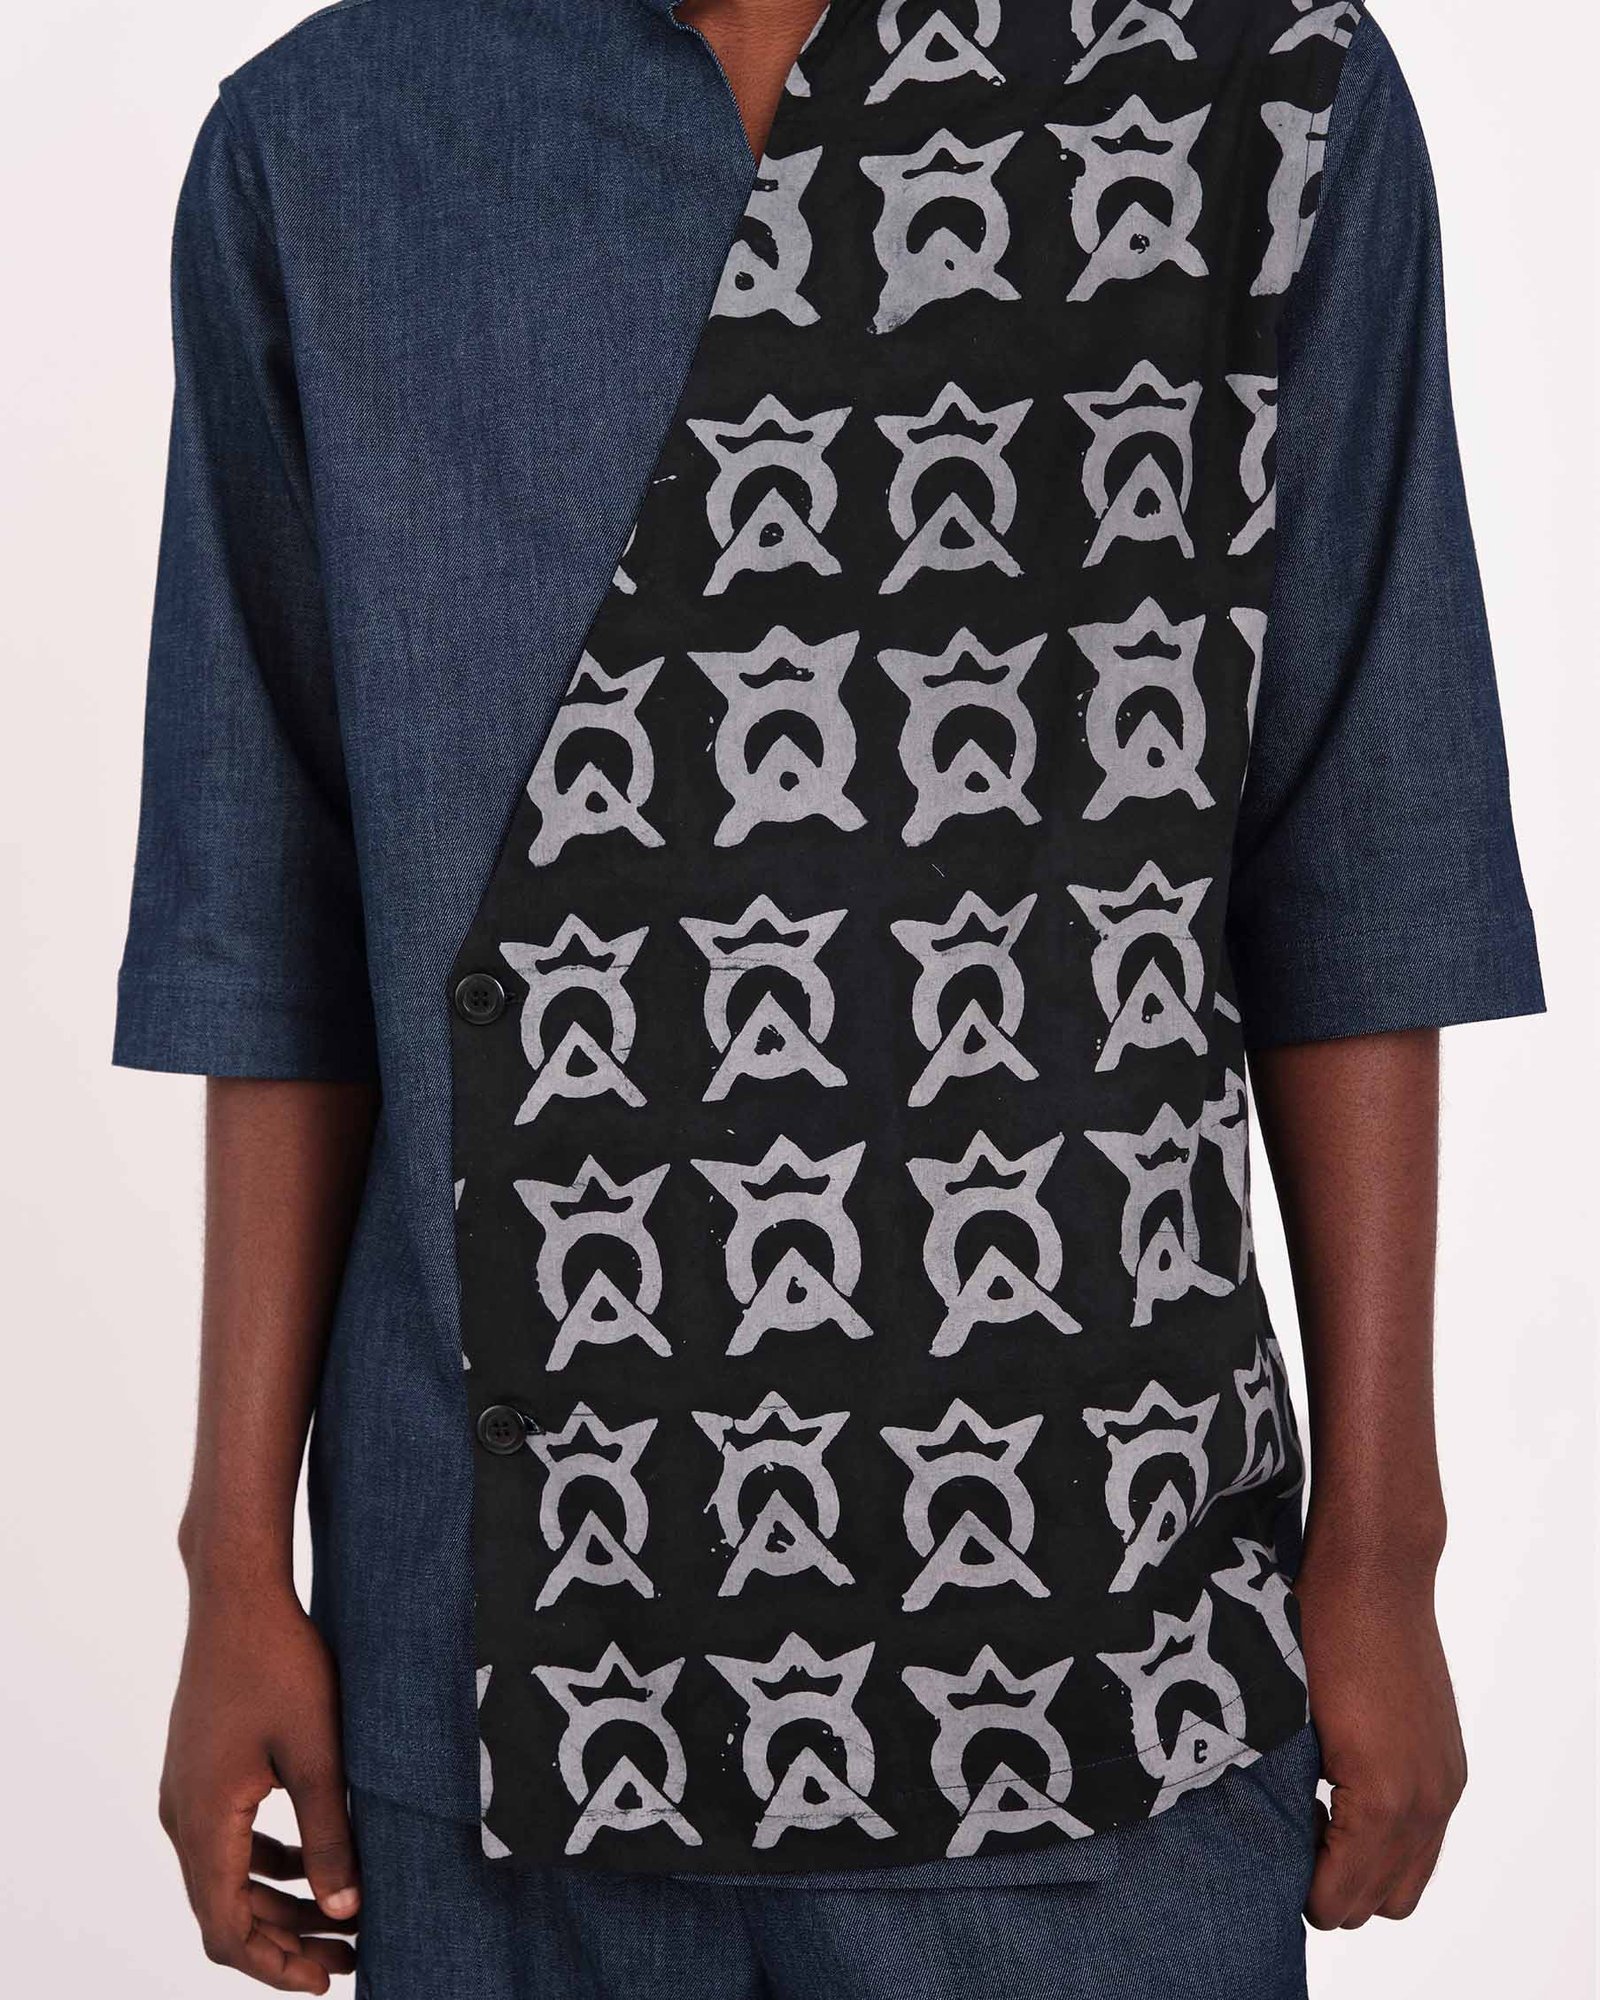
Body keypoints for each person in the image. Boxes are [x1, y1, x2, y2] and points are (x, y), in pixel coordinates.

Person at [116, 0, 1544, 1994]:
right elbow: (271, 914)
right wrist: (227, 1562)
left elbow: (1363, 857)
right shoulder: (329, 142)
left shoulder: (1250, 84)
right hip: (496, 1677)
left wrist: (1383, 1555)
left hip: (1107, 1659)